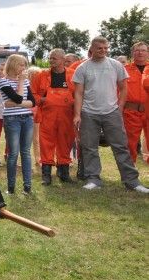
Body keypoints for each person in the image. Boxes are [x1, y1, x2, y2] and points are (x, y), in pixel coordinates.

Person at [72, 37, 148, 193]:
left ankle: (132, 181)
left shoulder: (116, 65)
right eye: (100, 48)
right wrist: (77, 114)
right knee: (89, 147)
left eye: (106, 48)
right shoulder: (82, 68)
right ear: (92, 49)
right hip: (88, 113)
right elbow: (78, 93)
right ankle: (93, 179)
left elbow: (123, 88)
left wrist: (119, 107)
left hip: (112, 112)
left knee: (121, 147)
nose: (104, 50)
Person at [31, 49, 76, 184]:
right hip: (47, 114)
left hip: (67, 114)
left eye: (54, 58)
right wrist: (42, 100)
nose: (51, 61)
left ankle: (64, 173)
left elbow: (79, 94)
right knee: (46, 143)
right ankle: (46, 175)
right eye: (50, 58)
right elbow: (33, 93)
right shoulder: (41, 75)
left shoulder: (73, 75)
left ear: (63, 60)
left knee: (66, 141)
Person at [0, 54, 35, 194]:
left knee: (26, 152)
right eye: (21, 65)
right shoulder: (3, 82)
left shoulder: (26, 82)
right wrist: (20, 82)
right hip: (12, 120)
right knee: (13, 153)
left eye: (24, 65)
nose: (24, 68)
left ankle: (27, 187)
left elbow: (33, 102)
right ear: (13, 65)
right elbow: (20, 97)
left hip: (27, 118)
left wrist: (10, 103)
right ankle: (11, 187)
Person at [122, 41, 148, 164]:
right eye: (137, 50)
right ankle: (130, 177)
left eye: (143, 50)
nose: (140, 53)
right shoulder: (124, 70)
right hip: (131, 112)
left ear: (147, 53)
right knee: (129, 144)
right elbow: (118, 91)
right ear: (132, 53)